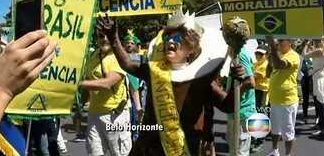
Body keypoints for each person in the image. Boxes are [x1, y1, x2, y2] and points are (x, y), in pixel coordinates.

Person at [96, 11, 244, 155]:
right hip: (149, 146)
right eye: (168, 38)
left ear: (191, 49)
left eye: (178, 38)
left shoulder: (200, 78)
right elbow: (128, 64)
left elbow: (228, 105)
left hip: (183, 148)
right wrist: (113, 38)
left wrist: (237, 83)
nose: (171, 41)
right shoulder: (154, 71)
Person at [79, 34, 132, 156]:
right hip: (94, 114)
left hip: (114, 116)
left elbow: (107, 83)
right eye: (101, 36)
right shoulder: (94, 55)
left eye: (108, 35)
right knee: (94, 152)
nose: (104, 39)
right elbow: (88, 78)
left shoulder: (118, 56)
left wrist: (78, 84)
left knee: (119, 153)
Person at [222, 17, 256, 156]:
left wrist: (231, 95)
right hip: (236, 111)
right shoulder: (236, 53)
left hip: (241, 111)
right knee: (234, 149)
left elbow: (250, 82)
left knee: (239, 152)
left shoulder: (241, 55)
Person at [266, 38, 300, 156]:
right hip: (275, 99)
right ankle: (275, 151)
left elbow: (280, 65)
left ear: (289, 42)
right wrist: (271, 54)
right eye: (277, 41)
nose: (278, 43)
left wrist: (273, 50)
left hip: (287, 101)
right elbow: (268, 73)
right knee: (275, 129)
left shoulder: (293, 55)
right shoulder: (278, 53)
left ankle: (287, 154)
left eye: (281, 41)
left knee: (287, 132)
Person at [303, 37, 324, 136]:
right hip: (319, 76)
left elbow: (304, 55)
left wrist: (306, 44)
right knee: (319, 102)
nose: (313, 42)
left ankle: (322, 127)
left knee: (320, 102)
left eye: (315, 40)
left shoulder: (319, 50)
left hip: (319, 78)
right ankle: (319, 125)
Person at [122, 30, 144, 142]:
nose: (129, 45)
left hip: (138, 95)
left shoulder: (141, 58)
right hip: (125, 97)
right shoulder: (120, 58)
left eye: (131, 43)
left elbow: (136, 82)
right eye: (127, 43)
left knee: (137, 123)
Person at [251, 44, 269, 151]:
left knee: (260, 114)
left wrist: (249, 73)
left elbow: (254, 76)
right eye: (257, 53)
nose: (258, 55)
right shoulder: (256, 63)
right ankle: (255, 136)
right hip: (256, 90)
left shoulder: (265, 64)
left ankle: (260, 140)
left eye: (261, 53)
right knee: (255, 113)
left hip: (262, 91)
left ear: (265, 55)